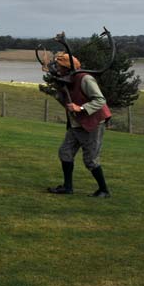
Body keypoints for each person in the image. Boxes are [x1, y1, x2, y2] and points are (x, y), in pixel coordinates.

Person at [46, 53, 112, 198]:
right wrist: (59, 92)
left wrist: (80, 108)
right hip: (76, 124)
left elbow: (100, 100)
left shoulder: (85, 79)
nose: (57, 68)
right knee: (65, 152)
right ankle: (67, 187)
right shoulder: (66, 80)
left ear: (66, 67)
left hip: (93, 122)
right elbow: (66, 102)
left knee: (90, 159)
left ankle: (104, 190)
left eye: (59, 66)